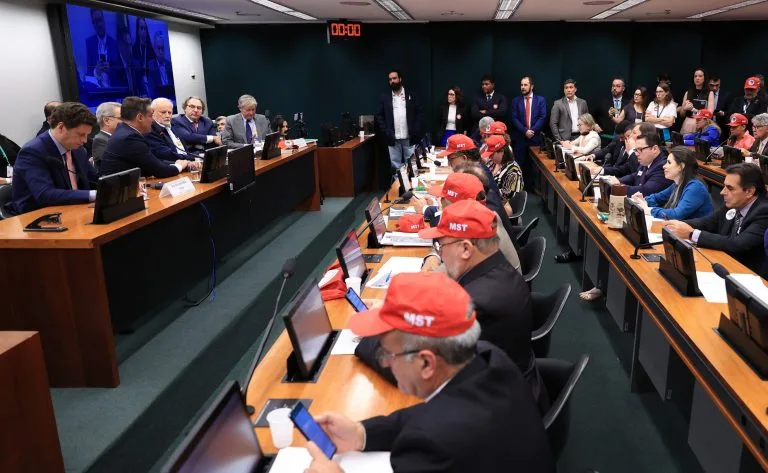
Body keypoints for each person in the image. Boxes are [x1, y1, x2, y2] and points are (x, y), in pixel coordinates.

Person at [309, 272, 555, 473]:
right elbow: (427, 413)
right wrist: (362, 434)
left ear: (426, 364)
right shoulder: (491, 358)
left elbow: (432, 426)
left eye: (387, 354)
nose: (384, 364)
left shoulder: (434, 444)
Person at [664, 163, 768, 279]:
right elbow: (708, 222)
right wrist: (678, 225)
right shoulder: (734, 202)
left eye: (730, 188)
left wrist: (692, 234)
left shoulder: (764, 211)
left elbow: (739, 244)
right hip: (725, 263)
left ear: (749, 191)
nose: (722, 192)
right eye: (724, 186)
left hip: (749, 276)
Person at [6, 102, 99, 216]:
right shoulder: (33, 152)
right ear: (61, 127)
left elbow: (94, 177)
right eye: (81, 134)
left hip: (74, 210)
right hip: (37, 216)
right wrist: (94, 194)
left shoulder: (77, 149)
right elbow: (45, 194)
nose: (85, 140)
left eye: (87, 135)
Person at [418, 172, 521, 272]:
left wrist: (434, 258)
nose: (440, 202)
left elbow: (444, 272)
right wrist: (434, 255)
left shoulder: (476, 230)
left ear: (459, 206)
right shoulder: (483, 216)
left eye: (443, 200)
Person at [100, 96, 189, 178]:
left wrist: (176, 163)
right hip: (120, 192)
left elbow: (151, 161)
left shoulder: (124, 131)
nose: (153, 120)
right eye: (150, 116)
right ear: (140, 117)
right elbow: (160, 171)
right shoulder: (130, 138)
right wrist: (180, 165)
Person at [631, 147, 713, 220]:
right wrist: (642, 200)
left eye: (669, 162)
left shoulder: (695, 187)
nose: (664, 166)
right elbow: (658, 198)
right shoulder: (678, 183)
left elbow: (676, 214)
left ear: (681, 166)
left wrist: (649, 210)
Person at [375, 70, 424, 170]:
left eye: (394, 78)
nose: (392, 81)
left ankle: (411, 184)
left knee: (412, 165)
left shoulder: (411, 95)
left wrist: (416, 128)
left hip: (409, 137)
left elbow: (420, 113)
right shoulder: (385, 97)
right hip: (393, 138)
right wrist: (386, 131)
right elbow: (379, 115)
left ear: (400, 79)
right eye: (390, 79)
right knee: (395, 166)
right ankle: (398, 185)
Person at [605, 131, 672, 196]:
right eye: (636, 150)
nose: (636, 154)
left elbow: (645, 191)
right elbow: (634, 176)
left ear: (654, 149)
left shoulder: (663, 167)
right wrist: (618, 181)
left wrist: (619, 187)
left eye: (640, 149)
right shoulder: (647, 161)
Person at [510, 76, 547, 190]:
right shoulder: (516, 101)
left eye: (525, 85)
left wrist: (533, 131)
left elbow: (542, 116)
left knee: (534, 166)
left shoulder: (540, 100)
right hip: (520, 137)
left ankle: (534, 189)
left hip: (535, 138)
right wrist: (525, 131)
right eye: (521, 85)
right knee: (518, 164)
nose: (523, 87)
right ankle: (517, 188)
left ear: (532, 86)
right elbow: (514, 118)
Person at [483, 135, 523, 208]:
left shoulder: (513, 170)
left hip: (503, 207)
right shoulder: (492, 162)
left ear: (502, 151)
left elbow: (506, 196)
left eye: (492, 154)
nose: (489, 157)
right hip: (491, 201)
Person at [145, 98, 189, 162]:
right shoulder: (150, 130)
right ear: (152, 113)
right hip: (172, 166)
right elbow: (165, 154)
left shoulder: (173, 126)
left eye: (170, 112)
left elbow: (184, 150)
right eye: (163, 112)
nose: (167, 115)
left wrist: (193, 159)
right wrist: (189, 159)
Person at [85, 9, 120, 87]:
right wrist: (96, 71)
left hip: (114, 90)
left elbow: (120, 72)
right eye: (95, 21)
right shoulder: (89, 43)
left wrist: (110, 70)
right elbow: (89, 71)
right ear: (93, 24)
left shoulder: (114, 44)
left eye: (100, 20)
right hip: (98, 92)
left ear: (104, 20)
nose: (99, 24)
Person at [678, 68, 716, 134]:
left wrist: (693, 109)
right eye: (695, 76)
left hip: (702, 125)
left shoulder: (709, 93)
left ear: (704, 78)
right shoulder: (688, 92)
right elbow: (682, 114)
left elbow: (709, 114)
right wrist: (684, 108)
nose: (697, 78)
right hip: (688, 124)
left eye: (700, 76)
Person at [92, 101, 121, 169]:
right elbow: (110, 167)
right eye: (121, 118)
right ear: (106, 121)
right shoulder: (100, 140)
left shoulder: (119, 138)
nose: (125, 121)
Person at [132, 17, 155, 90]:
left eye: (145, 28)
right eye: (141, 28)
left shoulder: (151, 50)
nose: (143, 31)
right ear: (137, 31)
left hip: (151, 85)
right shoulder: (133, 50)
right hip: (139, 87)